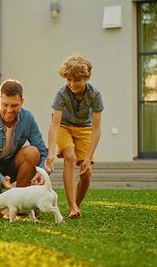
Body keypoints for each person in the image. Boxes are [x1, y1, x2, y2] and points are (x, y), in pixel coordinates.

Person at [45, 54, 103, 219]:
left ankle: (75, 206)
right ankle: (71, 206)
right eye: (68, 80)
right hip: (64, 127)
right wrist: (50, 153)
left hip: (85, 128)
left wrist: (89, 157)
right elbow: (55, 124)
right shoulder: (62, 94)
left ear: (87, 77)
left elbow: (97, 128)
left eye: (76, 80)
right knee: (69, 156)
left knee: (86, 172)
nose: (72, 84)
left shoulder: (95, 95)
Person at [0, 79, 48, 212]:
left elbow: (42, 151)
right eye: (5, 104)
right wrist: (0, 179)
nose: (9, 110)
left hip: (10, 165)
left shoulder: (28, 118)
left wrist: (43, 173)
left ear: (22, 101)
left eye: (14, 105)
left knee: (33, 152)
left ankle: (21, 204)